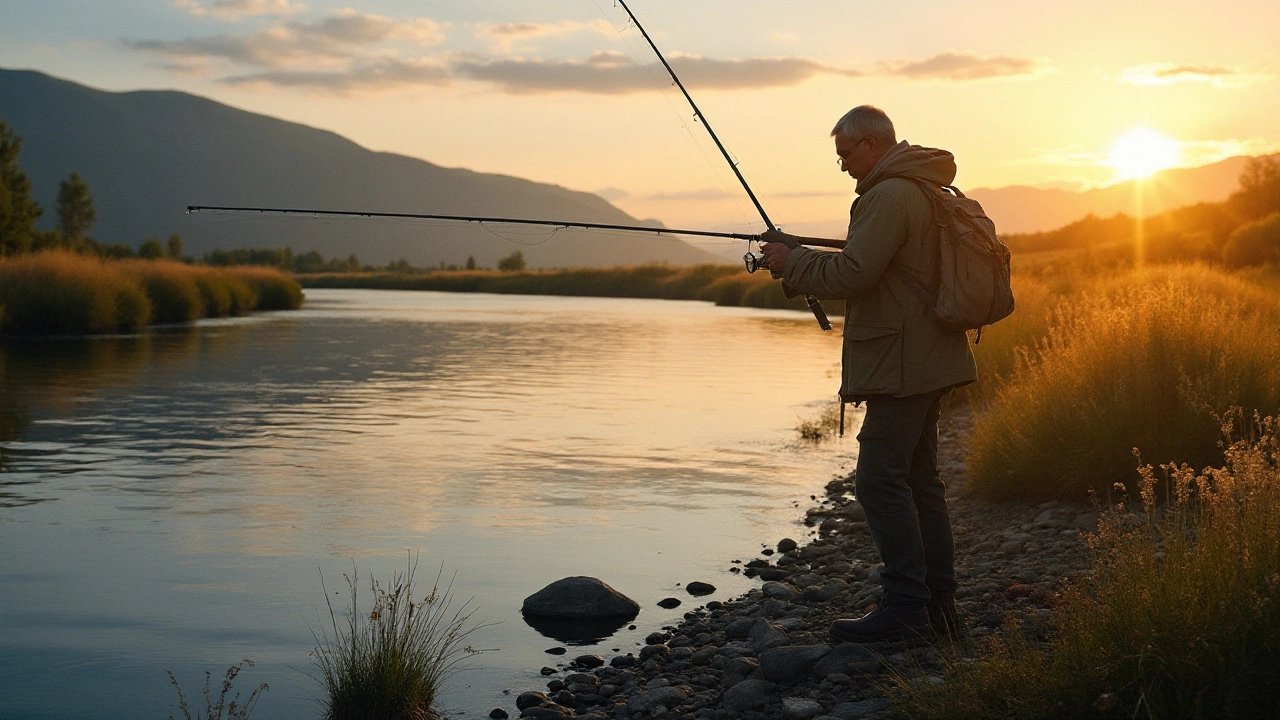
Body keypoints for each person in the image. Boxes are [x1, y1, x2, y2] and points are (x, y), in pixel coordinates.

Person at [759, 105, 977, 642]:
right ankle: (938, 607)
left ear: (872, 144)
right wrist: (803, 254)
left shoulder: (889, 194)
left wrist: (791, 264)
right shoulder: (921, 188)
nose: (842, 167)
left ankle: (906, 609)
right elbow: (881, 265)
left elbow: (855, 273)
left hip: (905, 363)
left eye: (845, 154)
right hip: (928, 356)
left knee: (879, 481)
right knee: (921, 482)